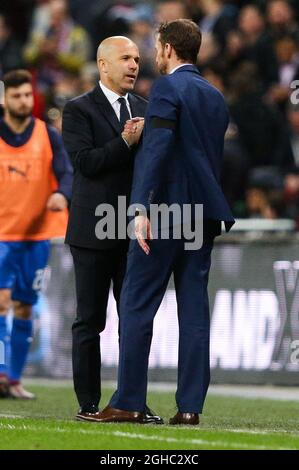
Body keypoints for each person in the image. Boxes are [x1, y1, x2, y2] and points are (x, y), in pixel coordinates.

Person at [94, 19, 235, 425]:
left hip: (167, 214)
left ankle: (128, 401)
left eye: (155, 47)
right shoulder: (214, 96)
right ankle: (190, 408)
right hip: (203, 216)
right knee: (194, 313)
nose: (152, 56)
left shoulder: (166, 89)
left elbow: (156, 153)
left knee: (136, 305)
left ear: (169, 49)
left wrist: (139, 209)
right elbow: (197, 153)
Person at [62, 36, 162, 423]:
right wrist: (124, 141)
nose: (134, 65)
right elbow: (85, 163)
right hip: (91, 232)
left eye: (137, 58)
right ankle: (88, 402)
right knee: (90, 320)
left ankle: (131, 399)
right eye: (125, 58)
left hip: (133, 231)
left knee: (133, 319)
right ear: (103, 65)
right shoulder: (78, 110)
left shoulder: (145, 107)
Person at [0, 69, 72, 399]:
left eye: (27, 95)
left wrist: (62, 194)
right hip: (1, 235)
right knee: (1, 303)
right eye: (16, 95)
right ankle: (1, 373)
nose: (24, 101)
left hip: (36, 237)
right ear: (4, 100)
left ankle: (14, 379)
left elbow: (66, 172)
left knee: (24, 307)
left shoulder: (47, 134)